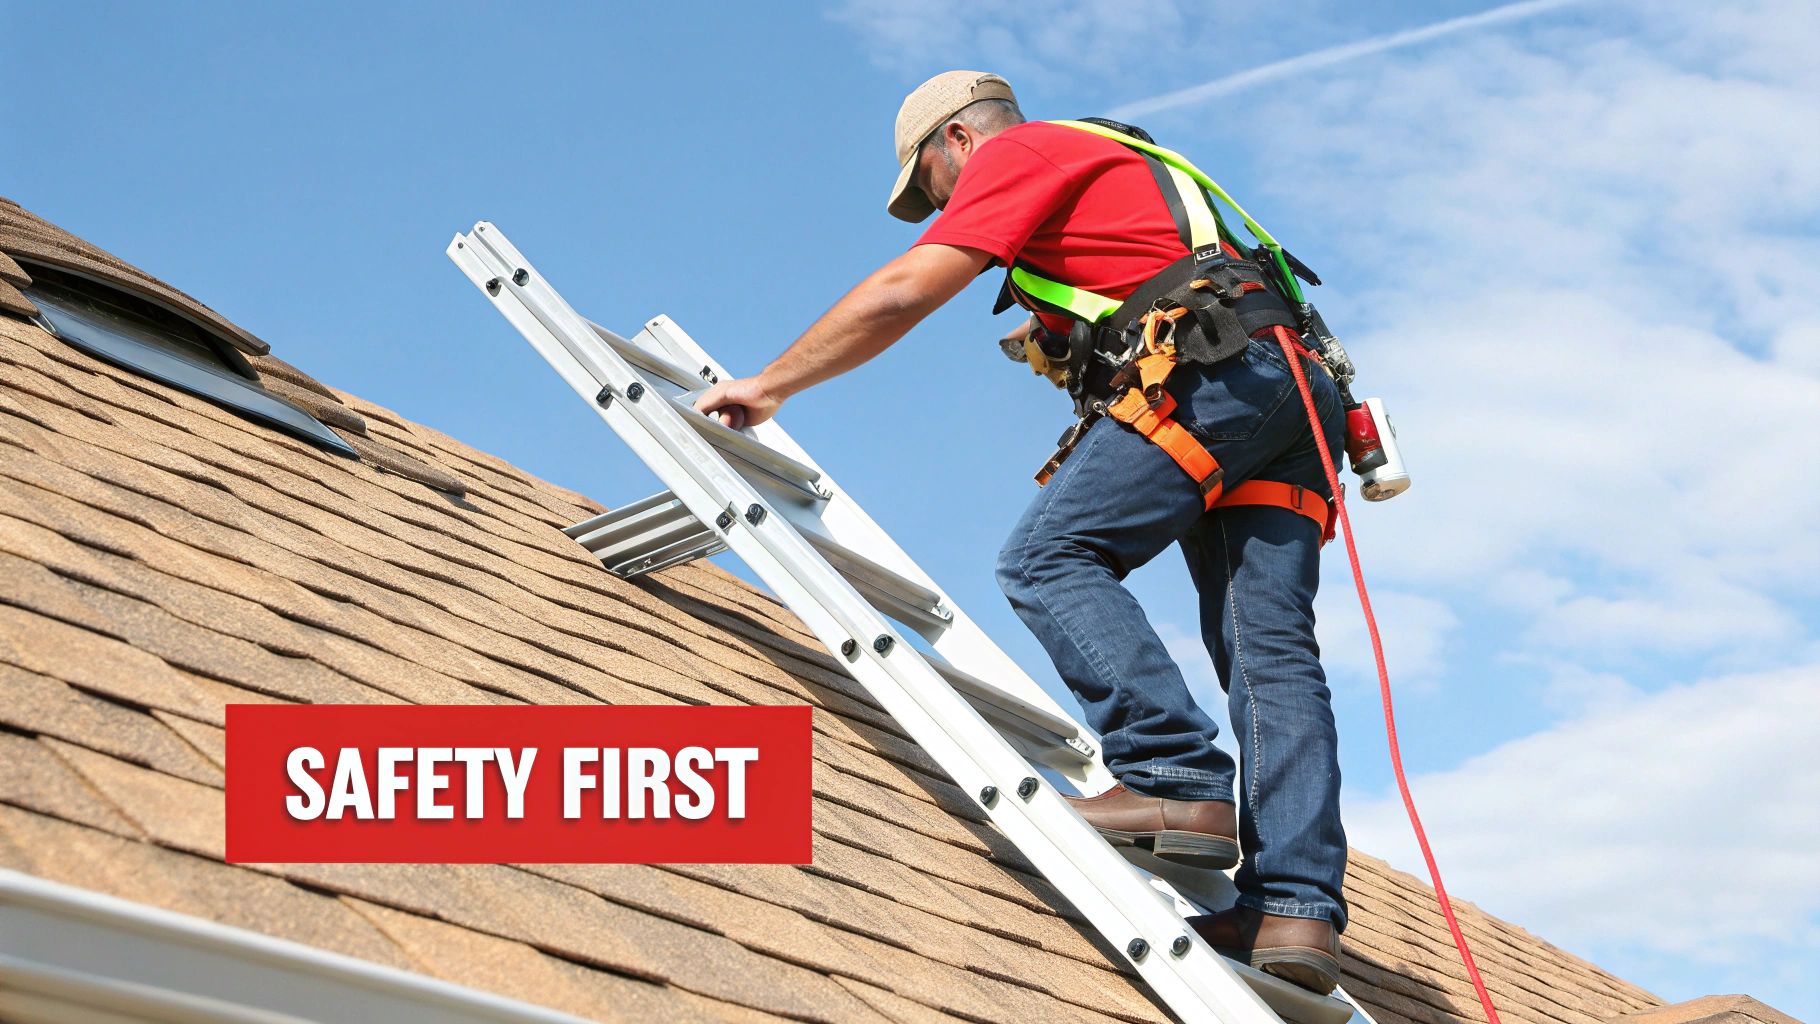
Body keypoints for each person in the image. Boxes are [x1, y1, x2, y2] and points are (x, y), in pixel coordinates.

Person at [695, 70, 1349, 995]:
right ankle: (1296, 911)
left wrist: (771, 383)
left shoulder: (1021, 152)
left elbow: (905, 286)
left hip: (1215, 370)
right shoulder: (1124, 165)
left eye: (928, 184)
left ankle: (1172, 777)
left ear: (957, 141)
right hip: (1289, 391)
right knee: (1269, 652)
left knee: (1048, 557)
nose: (938, 202)